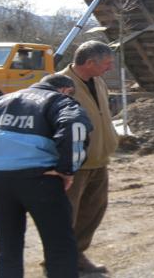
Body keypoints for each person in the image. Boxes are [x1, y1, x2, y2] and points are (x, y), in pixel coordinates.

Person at [0, 74, 93, 278]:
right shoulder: (58, 101)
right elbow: (76, 126)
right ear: (65, 90)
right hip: (41, 179)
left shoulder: (2, 101)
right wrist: (66, 169)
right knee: (59, 245)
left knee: (7, 246)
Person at [57, 40, 118, 273]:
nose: (110, 68)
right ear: (90, 62)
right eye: (107, 63)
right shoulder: (59, 84)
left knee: (93, 210)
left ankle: (76, 253)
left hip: (99, 160)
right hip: (72, 164)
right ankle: (59, 257)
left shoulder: (98, 81)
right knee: (66, 214)